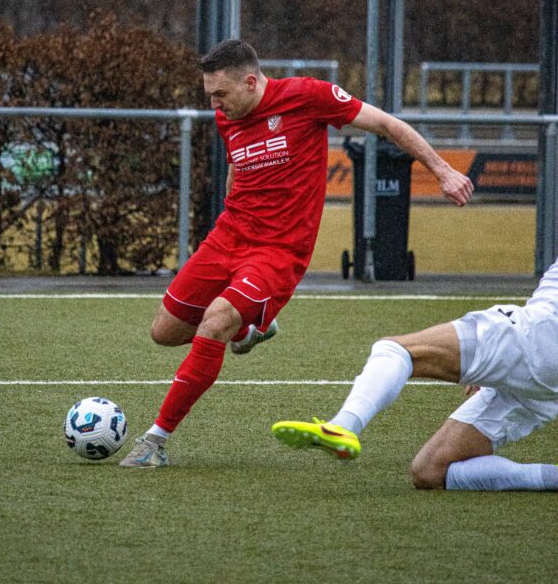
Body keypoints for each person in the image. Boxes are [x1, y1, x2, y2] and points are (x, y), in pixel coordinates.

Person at [119, 38, 474, 468]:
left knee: (214, 321)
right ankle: (250, 328)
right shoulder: (227, 115)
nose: (215, 103)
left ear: (251, 82)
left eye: (220, 94)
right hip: (228, 236)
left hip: (277, 251)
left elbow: (387, 125)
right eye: (210, 95)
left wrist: (443, 170)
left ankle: (155, 441)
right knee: (165, 331)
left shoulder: (308, 96)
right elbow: (237, 157)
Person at [272, 259, 558, 492]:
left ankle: (343, 426)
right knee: (431, 471)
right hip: (544, 371)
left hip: (541, 335)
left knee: (397, 350)